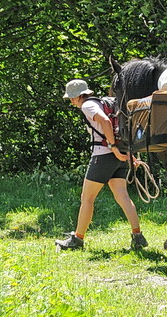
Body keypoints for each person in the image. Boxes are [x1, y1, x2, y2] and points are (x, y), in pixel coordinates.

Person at [56, 79, 148, 252]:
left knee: (87, 198)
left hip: (104, 155)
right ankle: (138, 236)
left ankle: (77, 240)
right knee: (123, 196)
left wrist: (112, 147)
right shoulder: (107, 101)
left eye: (71, 98)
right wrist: (125, 152)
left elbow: (105, 122)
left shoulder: (87, 106)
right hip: (120, 155)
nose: (71, 101)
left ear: (78, 97)